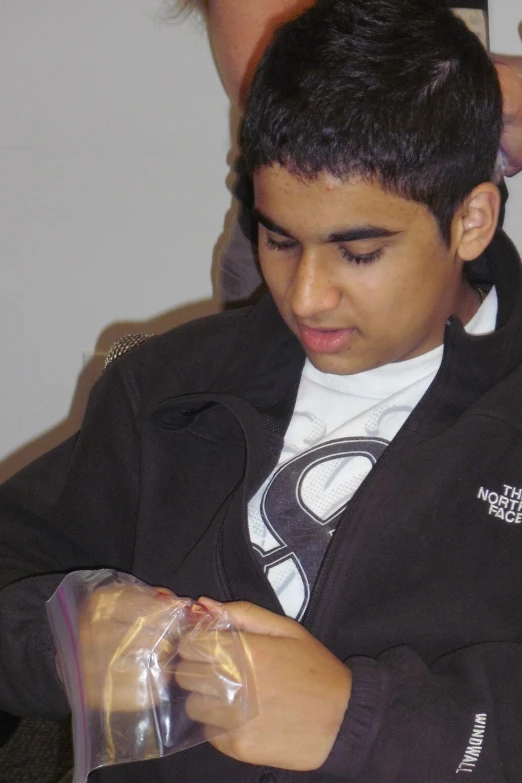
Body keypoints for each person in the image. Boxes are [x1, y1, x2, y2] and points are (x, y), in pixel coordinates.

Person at [1, 0, 522, 780]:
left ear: (472, 220)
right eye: (279, 240)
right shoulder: (166, 387)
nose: (306, 295)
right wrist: (64, 644)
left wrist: (360, 721)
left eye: (359, 252)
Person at [174, 0, 522, 303]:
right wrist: (483, 93)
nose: (305, 299)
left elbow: (440, 69)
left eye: (360, 253)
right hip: (306, 246)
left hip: (452, 244)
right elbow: (283, 99)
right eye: (361, 253)